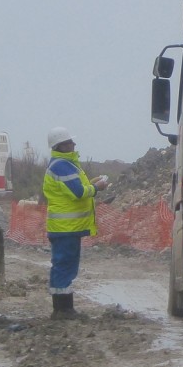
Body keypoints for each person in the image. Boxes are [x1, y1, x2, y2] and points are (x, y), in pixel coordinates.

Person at [42, 127, 109, 317]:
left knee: (66, 266)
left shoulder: (65, 164)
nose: (74, 144)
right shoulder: (61, 165)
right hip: (65, 228)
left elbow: (76, 188)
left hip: (67, 228)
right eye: (70, 142)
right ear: (61, 146)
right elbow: (78, 192)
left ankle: (63, 308)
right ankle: (62, 309)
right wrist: (96, 187)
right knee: (64, 266)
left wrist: (91, 183)